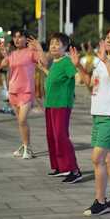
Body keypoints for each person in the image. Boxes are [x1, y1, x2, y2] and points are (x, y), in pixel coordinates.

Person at [72, 26, 110, 216]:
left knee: (96, 158)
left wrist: (106, 60)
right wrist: (78, 66)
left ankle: (100, 201)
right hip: (99, 114)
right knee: (109, 159)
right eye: (107, 37)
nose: (109, 39)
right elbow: (90, 83)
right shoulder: (100, 62)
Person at [0, 30, 47, 159]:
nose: (17, 39)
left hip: (27, 91)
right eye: (15, 37)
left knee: (23, 119)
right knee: (20, 121)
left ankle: (28, 148)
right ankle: (24, 145)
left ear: (26, 39)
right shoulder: (12, 54)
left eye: (20, 37)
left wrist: (39, 47)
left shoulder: (31, 53)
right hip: (13, 91)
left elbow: (44, 63)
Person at [41, 32, 82, 184]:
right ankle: (59, 166)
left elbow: (76, 77)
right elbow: (54, 77)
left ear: (65, 47)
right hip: (50, 104)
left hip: (62, 105)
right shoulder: (56, 62)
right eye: (52, 43)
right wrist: (43, 70)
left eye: (57, 44)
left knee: (61, 136)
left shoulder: (66, 62)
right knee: (52, 136)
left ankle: (74, 170)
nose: (53, 46)